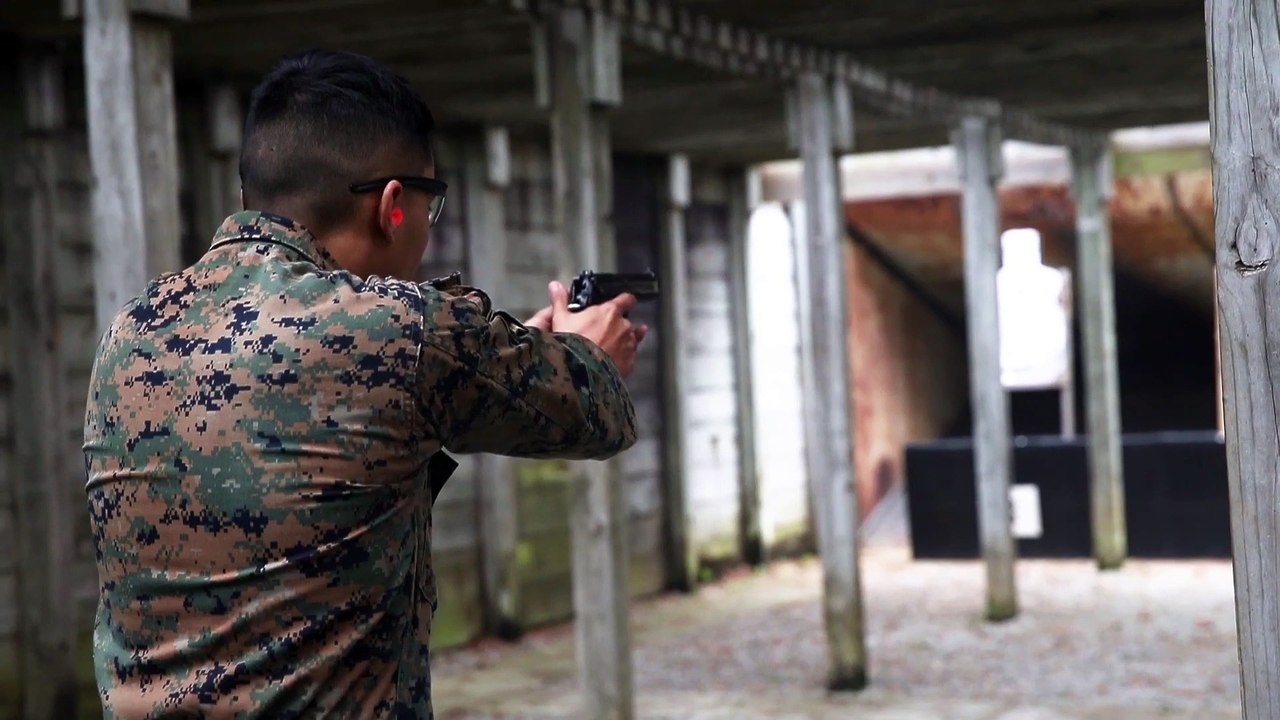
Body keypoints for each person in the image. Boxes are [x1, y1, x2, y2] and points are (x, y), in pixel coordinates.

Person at [82, 48, 646, 719]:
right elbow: (594, 409)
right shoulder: (405, 331)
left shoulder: (130, 331)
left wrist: (491, 361)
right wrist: (587, 350)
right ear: (392, 205)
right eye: (429, 207)